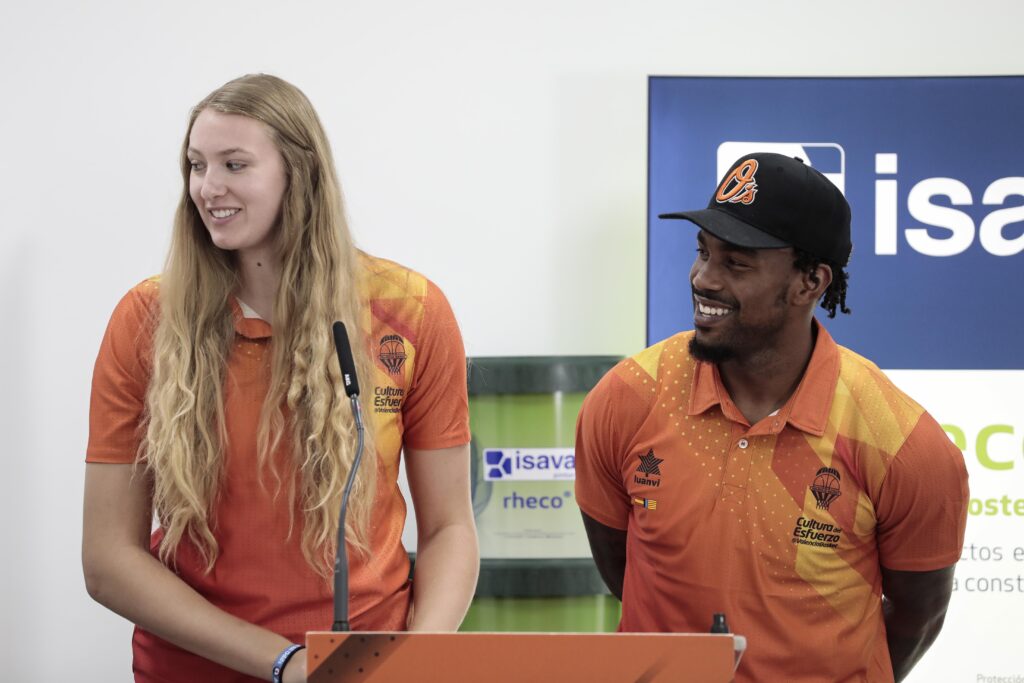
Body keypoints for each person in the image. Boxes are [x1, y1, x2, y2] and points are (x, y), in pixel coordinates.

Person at [82, 74, 479, 683]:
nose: (207, 188)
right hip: (196, 669)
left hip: (366, 666)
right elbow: (108, 559)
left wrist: (417, 661)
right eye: (196, 166)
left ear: (300, 172)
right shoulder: (147, 320)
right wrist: (287, 663)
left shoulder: (411, 311)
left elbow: (451, 526)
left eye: (234, 164)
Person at [574, 153, 969, 683]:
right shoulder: (628, 397)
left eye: (735, 263)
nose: (703, 279)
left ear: (811, 282)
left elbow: (918, 616)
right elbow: (621, 568)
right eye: (702, 252)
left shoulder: (902, 442)